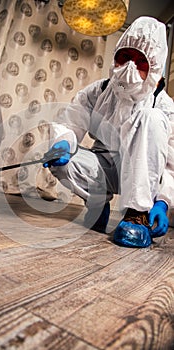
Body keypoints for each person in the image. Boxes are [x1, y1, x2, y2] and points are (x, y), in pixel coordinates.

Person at [43, 16, 174, 248]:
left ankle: (137, 215)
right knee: (60, 161)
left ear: (155, 68)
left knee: (151, 118)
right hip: (104, 163)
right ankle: (97, 202)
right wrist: (63, 142)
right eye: (125, 57)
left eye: (140, 61)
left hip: (143, 173)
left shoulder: (163, 106)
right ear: (115, 58)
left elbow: (171, 164)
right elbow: (71, 123)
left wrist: (163, 201)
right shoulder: (98, 91)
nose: (129, 67)